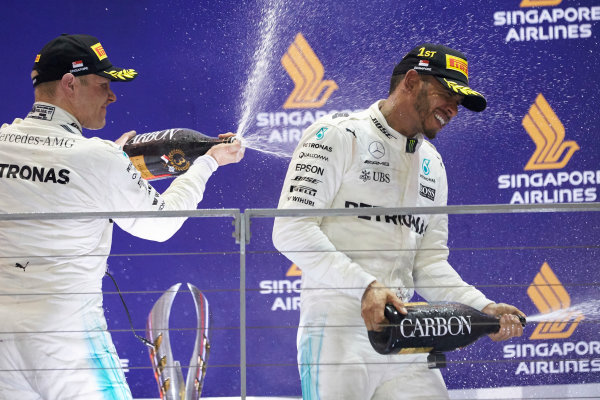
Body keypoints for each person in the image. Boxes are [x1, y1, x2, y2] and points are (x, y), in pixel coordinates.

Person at [272, 43, 525, 399]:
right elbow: (290, 229)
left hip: (406, 332)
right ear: (411, 81)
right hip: (336, 331)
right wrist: (366, 287)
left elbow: (429, 264)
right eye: (446, 95)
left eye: (459, 103)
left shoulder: (433, 164)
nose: (453, 109)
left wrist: (482, 306)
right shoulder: (337, 135)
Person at [0, 34, 244, 400]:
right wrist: (208, 163)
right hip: (68, 343)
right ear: (69, 84)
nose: (111, 96)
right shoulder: (96, 158)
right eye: (103, 85)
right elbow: (161, 226)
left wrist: (108, 166)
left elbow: (54, 178)